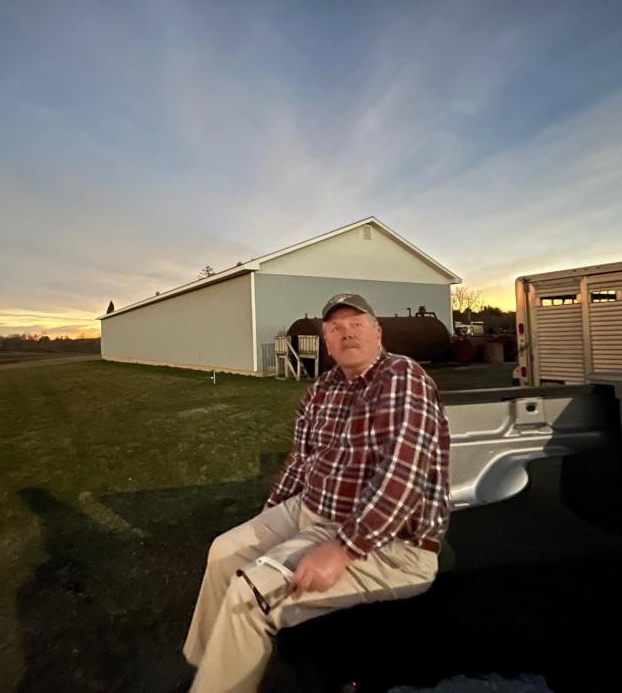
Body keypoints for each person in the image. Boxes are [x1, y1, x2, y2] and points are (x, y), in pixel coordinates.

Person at [180, 293, 451, 693]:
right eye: (335, 329)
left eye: (356, 324)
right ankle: (209, 668)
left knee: (248, 593)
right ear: (326, 343)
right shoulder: (322, 388)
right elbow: (299, 462)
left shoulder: (401, 376)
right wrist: (268, 516)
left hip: (386, 541)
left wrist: (344, 548)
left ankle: (220, 683)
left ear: (378, 332)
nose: (346, 334)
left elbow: (404, 475)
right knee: (223, 551)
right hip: (311, 510)